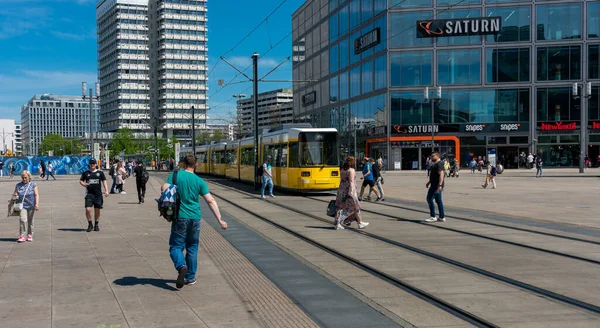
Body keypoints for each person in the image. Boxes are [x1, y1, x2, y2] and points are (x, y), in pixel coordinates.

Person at [163, 154, 228, 288]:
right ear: (196, 165)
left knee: (175, 246)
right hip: (195, 218)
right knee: (192, 247)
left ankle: (181, 266)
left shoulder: (176, 175)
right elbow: (210, 200)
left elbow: (164, 188)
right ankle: (190, 277)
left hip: (180, 216)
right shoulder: (199, 181)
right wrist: (220, 220)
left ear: (184, 164)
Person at [334, 156, 369, 230]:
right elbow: (351, 182)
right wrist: (352, 192)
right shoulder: (351, 170)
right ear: (352, 162)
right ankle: (339, 223)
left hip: (341, 190)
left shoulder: (342, 170)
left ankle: (360, 222)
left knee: (340, 207)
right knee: (353, 207)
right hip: (349, 191)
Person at [79, 159, 109, 232]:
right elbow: (81, 181)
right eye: (91, 163)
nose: (92, 165)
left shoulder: (100, 173)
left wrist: (107, 191)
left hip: (98, 194)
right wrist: (84, 184)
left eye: (93, 163)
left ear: (96, 164)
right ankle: (90, 224)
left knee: (97, 209)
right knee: (88, 209)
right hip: (89, 194)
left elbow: (104, 182)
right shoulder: (86, 173)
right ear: (89, 164)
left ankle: (96, 224)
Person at [13, 170, 39, 242]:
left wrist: (36, 204)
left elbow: (36, 195)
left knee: (30, 221)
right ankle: (22, 235)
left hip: (31, 205)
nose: (24, 179)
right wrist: (15, 195)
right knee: (23, 220)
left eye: (25, 177)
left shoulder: (33, 184)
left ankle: (30, 235)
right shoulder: (18, 185)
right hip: (22, 206)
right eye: (23, 177)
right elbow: (15, 194)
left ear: (29, 177)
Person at [425, 152, 445, 223]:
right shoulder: (436, 164)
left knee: (429, 199)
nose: (431, 157)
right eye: (431, 156)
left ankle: (433, 216)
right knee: (438, 201)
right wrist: (429, 182)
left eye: (433, 156)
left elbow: (441, 174)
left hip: (436, 186)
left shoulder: (439, 164)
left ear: (437, 156)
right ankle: (442, 217)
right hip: (434, 185)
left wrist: (439, 185)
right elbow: (434, 175)